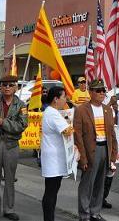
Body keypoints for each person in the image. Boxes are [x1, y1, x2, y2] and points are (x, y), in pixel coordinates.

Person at [0, 75, 28, 221]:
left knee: (10, 179)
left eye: (11, 85)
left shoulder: (21, 105)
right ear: (0, 87)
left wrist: (4, 123)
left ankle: (9, 209)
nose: (7, 87)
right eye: (4, 85)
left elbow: (21, 126)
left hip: (11, 145)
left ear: (16, 87)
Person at [74, 79, 118, 221]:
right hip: (90, 151)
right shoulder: (81, 110)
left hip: (105, 149)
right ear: (90, 92)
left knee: (100, 184)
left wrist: (113, 156)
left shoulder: (108, 109)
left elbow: (112, 134)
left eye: (103, 90)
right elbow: (78, 136)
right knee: (87, 185)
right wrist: (83, 158)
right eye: (98, 90)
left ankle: (95, 212)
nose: (102, 93)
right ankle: (84, 214)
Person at [40, 86, 74, 221]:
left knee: (52, 191)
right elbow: (67, 131)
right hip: (53, 159)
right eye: (64, 97)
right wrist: (76, 123)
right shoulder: (53, 113)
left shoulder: (51, 112)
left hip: (54, 157)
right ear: (56, 99)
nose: (65, 99)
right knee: (51, 192)